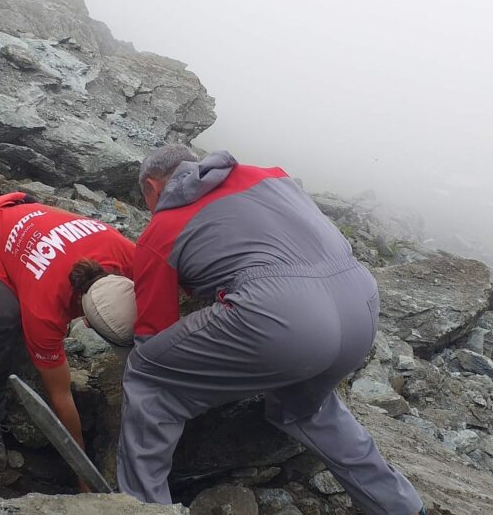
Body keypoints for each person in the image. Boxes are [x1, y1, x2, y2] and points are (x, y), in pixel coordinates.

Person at [118, 146, 426, 515]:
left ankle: (145, 507)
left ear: (152, 186)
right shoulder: (270, 176)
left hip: (283, 318)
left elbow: (154, 332)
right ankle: (401, 507)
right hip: (361, 302)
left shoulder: (161, 230)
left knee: (148, 377)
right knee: (307, 409)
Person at [0, 192, 135, 471]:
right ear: (85, 321)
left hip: (18, 217)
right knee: (5, 316)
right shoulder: (44, 310)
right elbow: (60, 395)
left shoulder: (126, 252)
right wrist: (84, 472)